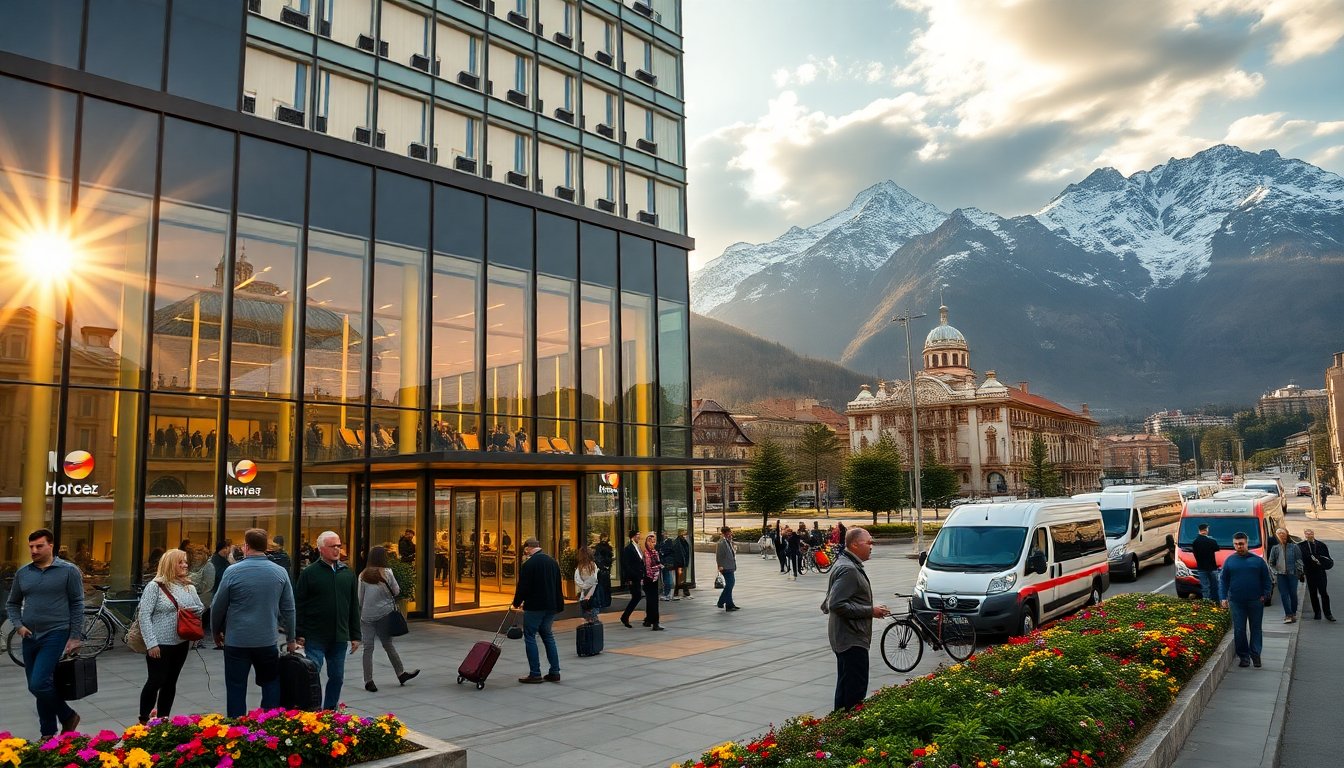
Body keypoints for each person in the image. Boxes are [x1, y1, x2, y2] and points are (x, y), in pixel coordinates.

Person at [211, 528, 298, 717]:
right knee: (271, 683)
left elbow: (218, 606)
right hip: (266, 640)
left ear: (246, 546)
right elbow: (289, 609)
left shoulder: (232, 572)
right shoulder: (280, 572)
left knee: (236, 687)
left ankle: (237, 729)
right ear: (266, 547)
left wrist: (215, 632)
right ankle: (269, 725)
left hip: (237, 640)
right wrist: (291, 638)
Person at [6, 529, 84, 737]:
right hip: (29, 636)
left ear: (51, 545)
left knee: (40, 682)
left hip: (56, 633)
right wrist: (18, 626)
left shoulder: (68, 571)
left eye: (39, 546)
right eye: (31, 546)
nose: (34, 550)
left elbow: (77, 603)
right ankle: (48, 733)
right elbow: (12, 603)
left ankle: (67, 716)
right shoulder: (23, 573)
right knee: (38, 686)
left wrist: (75, 636)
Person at [821, 527, 890, 712]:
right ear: (854, 544)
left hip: (846, 636)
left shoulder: (847, 564)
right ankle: (849, 728)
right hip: (851, 638)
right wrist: (871, 611)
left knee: (845, 686)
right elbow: (836, 604)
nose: (872, 546)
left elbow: (833, 600)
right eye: (868, 542)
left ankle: (838, 726)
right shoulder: (849, 569)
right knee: (854, 690)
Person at [137, 549, 205, 723]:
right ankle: (144, 719)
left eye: (185, 562)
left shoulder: (188, 586)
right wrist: (151, 643)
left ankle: (163, 718)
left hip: (181, 642)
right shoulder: (155, 586)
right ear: (169, 564)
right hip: (159, 643)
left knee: (170, 682)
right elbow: (144, 615)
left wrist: (194, 610)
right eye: (180, 562)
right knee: (155, 681)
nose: (185, 565)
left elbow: (200, 607)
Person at [295, 531, 361, 710]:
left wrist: (355, 635)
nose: (338, 549)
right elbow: (299, 604)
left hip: (339, 637)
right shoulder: (309, 573)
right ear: (321, 549)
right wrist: (298, 633)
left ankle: (330, 712)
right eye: (333, 546)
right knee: (312, 675)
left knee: (337, 677)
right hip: (315, 635)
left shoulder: (347, 573)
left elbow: (353, 606)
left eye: (339, 545)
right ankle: (311, 711)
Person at [358, 546, 419, 692]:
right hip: (385, 614)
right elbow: (396, 591)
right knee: (388, 645)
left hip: (367, 616)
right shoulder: (388, 573)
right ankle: (401, 673)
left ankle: (369, 681)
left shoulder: (363, 575)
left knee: (368, 648)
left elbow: (360, 598)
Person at [512, 538, 564, 683]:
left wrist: (516, 603)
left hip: (535, 606)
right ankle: (555, 671)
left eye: (525, 549)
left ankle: (535, 673)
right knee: (548, 636)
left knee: (529, 636)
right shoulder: (552, 561)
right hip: (551, 606)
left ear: (528, 548)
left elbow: (523, 586)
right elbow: (557, 585)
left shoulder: (529, 564)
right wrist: (558, 604)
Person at [1219, 531, 1274, 668]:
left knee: (1256, 629)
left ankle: (1256, 655)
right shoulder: (1230, 561)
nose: (1239, 546)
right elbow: (1223, 581)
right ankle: (1244, 657)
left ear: (1246, 544)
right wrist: (1223, 597)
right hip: (1236, 602)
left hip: (1256, 601)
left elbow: (1267, 581)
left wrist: (1265, 595)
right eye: (1236, 544)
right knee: (1239, 630)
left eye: (1241, 544)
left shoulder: (1258, 561)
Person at [1267, 527, 1304, 623]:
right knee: (1284, 595)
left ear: (1287, 534)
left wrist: (1299, 572)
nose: (1281, 535)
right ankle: (1288, 614)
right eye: (1279, 533)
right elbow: (1271, 563)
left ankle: (1293, 613)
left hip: (1293, 574)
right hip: (1281, 575)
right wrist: (1275, 572)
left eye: (1283, 533)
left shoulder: (1294, 547)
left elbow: (1299, 561)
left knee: (1293, 594)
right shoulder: (1275, 548)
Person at [1299, 528, 1334, 621]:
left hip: (1320, 572)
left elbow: (1327, 558)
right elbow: (1299, 560)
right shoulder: (1301, 546)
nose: (1309, 535)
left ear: (1313, 534)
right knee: (1313, 593)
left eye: (1310, 534)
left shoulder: (1321, 545)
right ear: (1305, 535)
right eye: (1307, 534)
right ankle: (1317, 613)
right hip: (1309, 573)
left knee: (1324, 593)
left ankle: (1328, 614)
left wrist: (1321, 563)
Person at [619, 530, 645, 628]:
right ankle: (625, 616)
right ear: (632, 537)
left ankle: (625, 616)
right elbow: (626, 565)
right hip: (633, 576)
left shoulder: (637, 547)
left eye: (639, 535)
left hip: (638, 575)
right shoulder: (628, 549)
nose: (639, 537)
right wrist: (630, 577)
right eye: (637, 535)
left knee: (637, 596)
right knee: (637, 596)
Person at [1190, 523, 1221, 601]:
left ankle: (1206, 601)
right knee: (1214, 585)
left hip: (1201, 568)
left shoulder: (1195, 542)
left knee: (1205, 586)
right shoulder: (1211, 541)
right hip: (1212, 567)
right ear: (1206, 530)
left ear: (1199, 531)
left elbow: (1194, 553)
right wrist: (1211, 539)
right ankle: (1215, 601)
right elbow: (1217, 548)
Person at [641, 534, 665, 630]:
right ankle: (655, 622)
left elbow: (657, 562)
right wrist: (658, 567)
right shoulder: (646, 553)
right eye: (650, 541)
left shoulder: (654, 552)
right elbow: (648, 568)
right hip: (649, 579)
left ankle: (648, 620)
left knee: (651, 601)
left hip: (654, 579)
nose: (652, 543)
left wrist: (659, 565)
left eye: (654, 541)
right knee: (653, 601)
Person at [574, 545, 600, 623]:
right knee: (593, 616)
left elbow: (577, 579)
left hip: (583, 593)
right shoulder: (593, 565)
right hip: (591, 593)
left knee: (586, 616)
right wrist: (589, 594)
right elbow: (594, 580)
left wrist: (583, 587)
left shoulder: (580, 567)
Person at [716, 526, 739, 611]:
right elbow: (719, 556)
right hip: (725, 566)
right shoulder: (721, 543)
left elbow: (732, 552)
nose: (731, 534)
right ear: (726, 533)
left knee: (730, 585)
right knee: (730, 585)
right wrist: (720, 565)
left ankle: (730, 604)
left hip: (730, 566)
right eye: (729, 532)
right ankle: (721, 602)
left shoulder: (728, 541)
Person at [592, 533, 614, 610]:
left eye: (606, 537)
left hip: (604, 568)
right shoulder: (600, 547)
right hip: (602, 569)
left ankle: (604, 602)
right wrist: (604, 566)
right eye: (604, 538)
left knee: (604, 586)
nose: (605, 539)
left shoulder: (606, 547)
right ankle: (603, 601)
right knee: (602, 586)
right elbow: (598, 558)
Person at [657, 532, 679, 601]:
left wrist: (661, 552)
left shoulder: (669, 542)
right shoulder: (662, 542)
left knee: (667, 578)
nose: (664, 535)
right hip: (665, 562)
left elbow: (668, 550)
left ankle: (667, 594)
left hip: (667, 562)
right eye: (663, 534)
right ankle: (667, 593)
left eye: (665, 534)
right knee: (666, 577)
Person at [673, 529, 694, 598]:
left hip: (683, 563)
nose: (685, 535)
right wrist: (680, 564)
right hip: (680, 564)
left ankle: (676, 592)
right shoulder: (677, 542)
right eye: (684, 533)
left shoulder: (683, 541)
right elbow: (677, 554)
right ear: (680, 534)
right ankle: (685, 591)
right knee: (681, 579)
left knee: (680, 579)